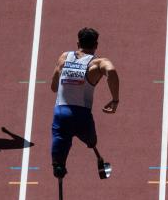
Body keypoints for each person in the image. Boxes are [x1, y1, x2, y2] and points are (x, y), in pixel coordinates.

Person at [50, 27, 119, 179]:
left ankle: (59, 167)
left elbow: (53, 87)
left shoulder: (64, 57)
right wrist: (115, 100)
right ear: (96, 45)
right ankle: (92, 146)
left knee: (59, 157)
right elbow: (112, 71)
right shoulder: (98, 63)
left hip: (61, 114)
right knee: (91, 140)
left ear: (77, 43)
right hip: (82, 117)